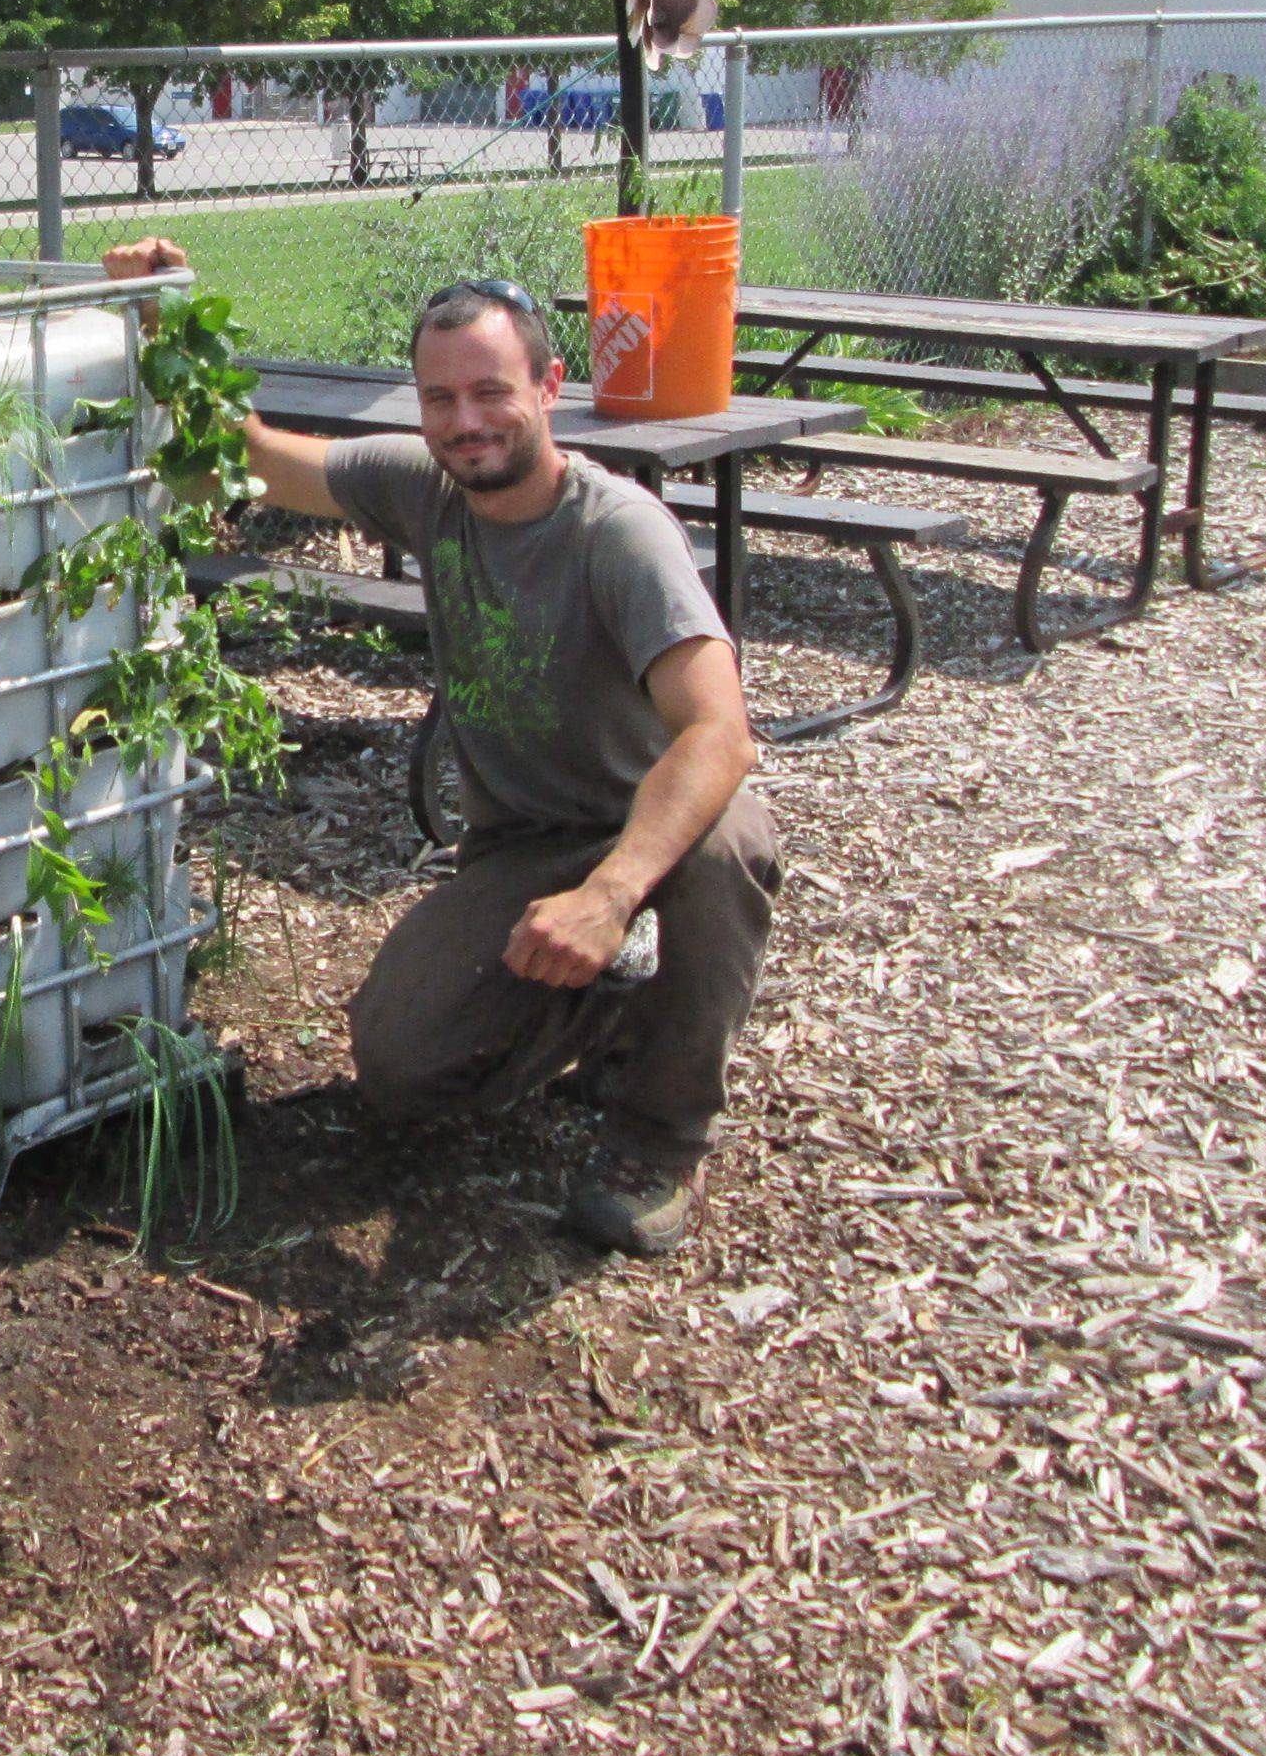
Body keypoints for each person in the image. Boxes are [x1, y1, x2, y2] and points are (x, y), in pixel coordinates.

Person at [103, 242, 780, 1255]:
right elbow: (254, 458)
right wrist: (161, 312)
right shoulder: (425, 490)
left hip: (655, 832)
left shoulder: (617, 534)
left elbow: (720, 735)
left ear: (552, 387)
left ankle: (658, 1133)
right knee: (402, 1068)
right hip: (524, 849)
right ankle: (615, 1011)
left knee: (726, 840)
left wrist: (611, 892)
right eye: (439, 399)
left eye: (491, 392)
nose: (465, 422)